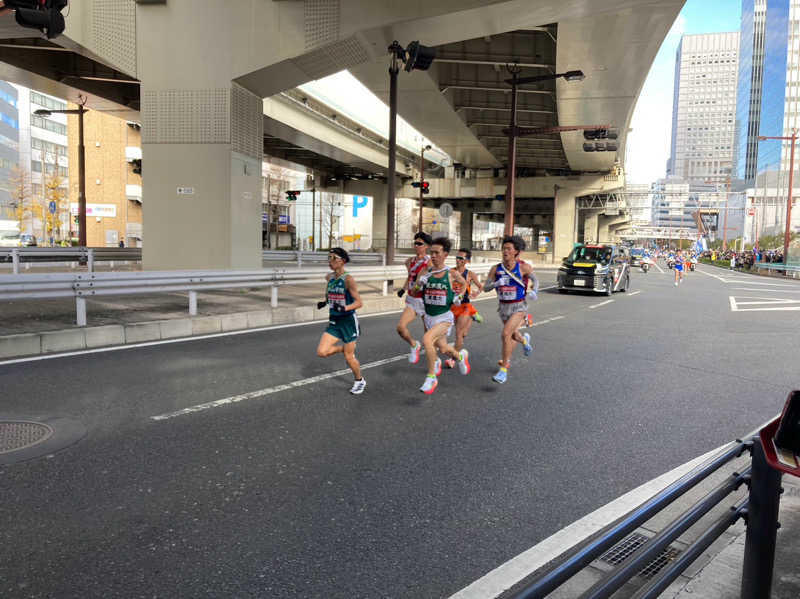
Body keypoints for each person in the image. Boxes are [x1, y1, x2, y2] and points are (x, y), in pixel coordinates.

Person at [414, 237, 470, 395]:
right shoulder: (425, 272)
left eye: (436, 253)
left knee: (426, 340)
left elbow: (464, 283)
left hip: (444, 317)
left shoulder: (450, 273)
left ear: (445, 254)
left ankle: (431, 377)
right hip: (429, 317)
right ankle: (460, 356)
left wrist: (459, 295)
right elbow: (414, 291)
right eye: (431, 253)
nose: (433, 256)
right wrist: (420, 283)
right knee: (444, 348)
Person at [484, 235, 537, 384]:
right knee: (513, 335)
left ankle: (504, 370)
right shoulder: (496, 269)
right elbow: (485, 288)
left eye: (508, 249)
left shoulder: (523, 267)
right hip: (503, 307)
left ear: (516, 252)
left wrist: (535, 291)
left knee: (505, 334)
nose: (505, 251)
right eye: (503, 248)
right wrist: (497, 283)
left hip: (519, 306)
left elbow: (535, 280)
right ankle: (525, 341)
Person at [315, 247, 366, 395]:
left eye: (333, 258)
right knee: (322, 352)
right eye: (329, 258)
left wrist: (344, 308)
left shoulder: (348, 279)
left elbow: (359, 303)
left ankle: (359, 380)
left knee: (349, 358)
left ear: (342, 261)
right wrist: (324, 302)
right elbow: (330, 293)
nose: (330, 261)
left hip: (348, 322)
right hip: (334, 321)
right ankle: (345, 348)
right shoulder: (329, 277)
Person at [396, 232, 432, 364]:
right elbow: (410, 277)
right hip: (412, 299)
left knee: (428, 336)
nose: (416, 245)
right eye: (415, 243)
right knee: (400, 327)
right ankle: (413, 344)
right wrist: (403, 288)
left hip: (426, 300)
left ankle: (434, 362)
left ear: (427, 246)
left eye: (420, 243)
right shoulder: (410, 261)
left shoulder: (430, 263)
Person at [445, 248, 483, 369]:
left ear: (467, 260)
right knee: (463, 333)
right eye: (457, 257)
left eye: (461, 258)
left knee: (459, 334)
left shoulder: (470, 274)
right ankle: (472, 316)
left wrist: (475, 294)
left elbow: (480, 286)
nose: (458, 259)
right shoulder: (451, 272)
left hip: (464, 306)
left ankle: (453, 359)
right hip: (452, 307)